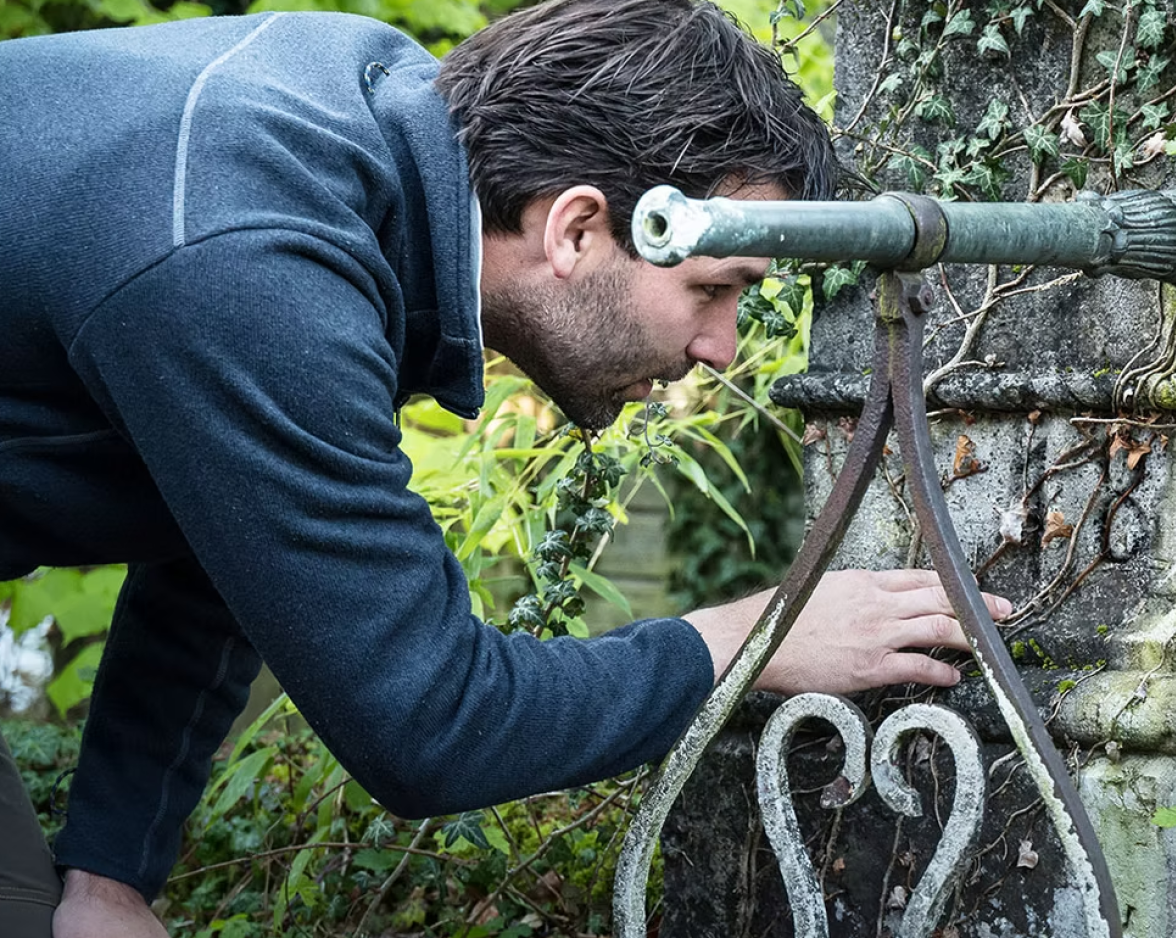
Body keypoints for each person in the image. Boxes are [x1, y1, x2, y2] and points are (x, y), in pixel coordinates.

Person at [0, 1, 1000, 934]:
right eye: (713, 288)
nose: (723, 348)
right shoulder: (251, 250)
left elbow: (219, 534)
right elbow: (426, 723)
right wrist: (746, 641)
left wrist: (110, 869)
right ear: (574, 227)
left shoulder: (361, 158)